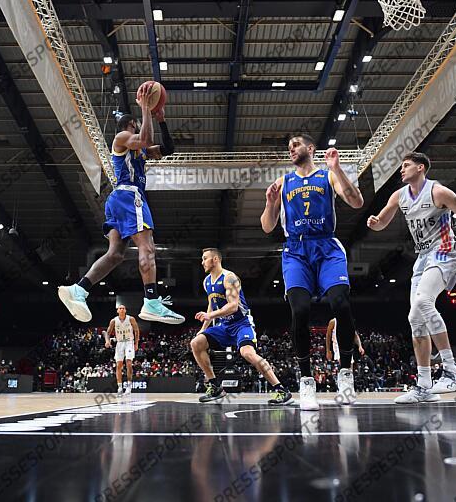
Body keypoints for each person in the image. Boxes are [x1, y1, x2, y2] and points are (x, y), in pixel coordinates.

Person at [58, 83, 183, 325]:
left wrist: (161, 120)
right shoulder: (122, 137)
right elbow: (145, 139)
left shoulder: (138, 152)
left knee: (115, 255)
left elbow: (168, 149)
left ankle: (78, 290)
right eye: (136, 124)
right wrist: (146, 109)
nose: (139, 126)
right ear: (131, 126)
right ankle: (152, 301)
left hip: (118, 200)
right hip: (129, 197)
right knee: (147, 248)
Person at [366, 152, 456, 403]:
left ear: (421, 168)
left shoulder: (438, 192)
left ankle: (452, 370)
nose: (402, 170)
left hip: (445, 252)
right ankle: (424, 385)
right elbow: (383, 221)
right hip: (423, 257)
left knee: (422, 303)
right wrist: (374, 223)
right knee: (415, 319)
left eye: (406, 165)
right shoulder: (399, 195)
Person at [261, 136, 364, 410]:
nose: (292, 149)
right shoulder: (283, 183)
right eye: (289, 148)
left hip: (327, 246)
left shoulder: (328, 176)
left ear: (311, 149)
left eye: (296, 145)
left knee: (340, 304)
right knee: (300, 311)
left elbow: (356, 202)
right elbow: (267, 227)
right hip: (295, 250)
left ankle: (345, 374)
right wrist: (271, 203)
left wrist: (338, 168)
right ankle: (306, 381)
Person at [190, 248, 293, 405]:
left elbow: (233, 306)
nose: (202, 262)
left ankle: (281, 390)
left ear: (215, 259)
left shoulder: (229, 278)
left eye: (205, 258)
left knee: (248, 354)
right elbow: (211, 305)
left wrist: (210, 316)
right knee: (196, 343)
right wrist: (203, 328)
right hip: (224, 325)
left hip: (241, 324)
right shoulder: (206, 282)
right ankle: (215, 386)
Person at [105, 304, 140, 395]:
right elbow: (107, 333)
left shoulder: (131, 319)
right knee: (119, 365)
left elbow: (136, 331)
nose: (121, 309)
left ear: (125, 310)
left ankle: (129, 386)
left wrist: (136, 343)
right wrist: (107, 341)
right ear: (117, 311)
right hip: (119, 343)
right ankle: (120, 387)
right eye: (120, 308)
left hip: (129, 342)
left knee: (128, 363)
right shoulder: (114, 321)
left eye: (123, 308)